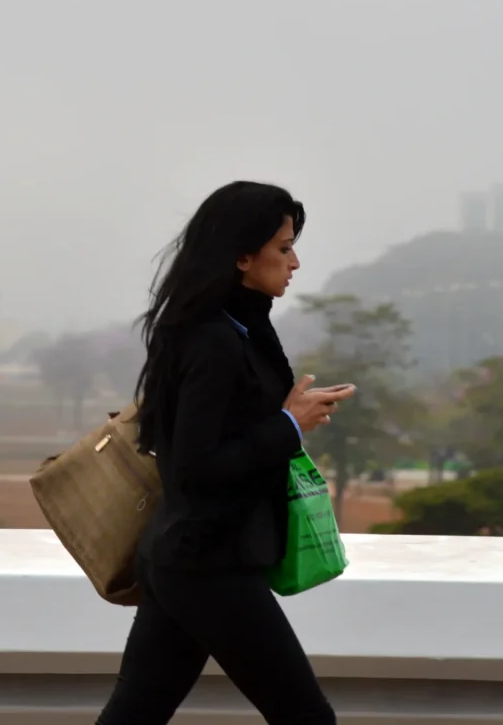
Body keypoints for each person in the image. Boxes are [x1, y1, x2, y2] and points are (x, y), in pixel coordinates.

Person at [96, 182, 355, 725]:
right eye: (283, 248)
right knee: (307, 717)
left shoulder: (235, 327)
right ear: (242, 256)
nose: (295, 261)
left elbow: (220, 430)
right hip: (210, 562)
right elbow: (195, 468)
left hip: (187, 556)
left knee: (136, 713)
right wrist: (289, 424)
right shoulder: (213, 340)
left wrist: (285, 412)